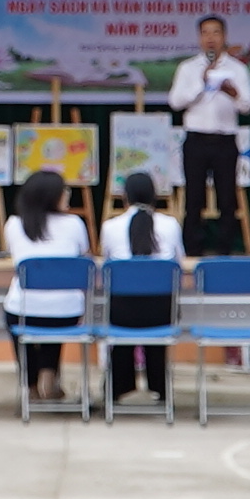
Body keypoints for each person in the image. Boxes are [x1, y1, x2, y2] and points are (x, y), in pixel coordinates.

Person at [2, 168, 93, 407]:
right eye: (65, 191)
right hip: (67, 312)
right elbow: (83, 258)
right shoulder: (75, 223)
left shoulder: (14, 224)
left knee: (21, 323)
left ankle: (30, 383)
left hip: (22, 309)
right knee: (56, 313)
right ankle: (49, 374)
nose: (68, 195)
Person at [165, 14, 250, 258]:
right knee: (194, 199)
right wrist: (201, 84)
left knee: (227, 200)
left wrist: (233, 92)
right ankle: (192, 251)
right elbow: (175, 102)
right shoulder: (188, 68)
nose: (210, 38)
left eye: (215, 33)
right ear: (199, 38)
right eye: (205, 33)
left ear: (224, 37)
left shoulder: (237, 69)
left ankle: (224, 252)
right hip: (196, 140)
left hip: (225, 140)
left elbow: (247, 106)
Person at [99, 174, 181, 407]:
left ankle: (116, 388)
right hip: (161, 312)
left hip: (121, 313)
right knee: (154, 325)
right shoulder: (171, 225)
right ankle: (160, 387)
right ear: (155, 196)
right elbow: (178, 265)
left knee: (123, 324)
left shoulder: (110, 227)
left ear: (125, 197)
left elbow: (107, 267)